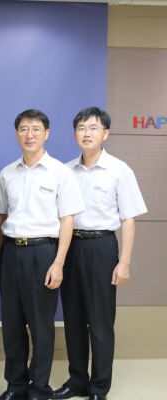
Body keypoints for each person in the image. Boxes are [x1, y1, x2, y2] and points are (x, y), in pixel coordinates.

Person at [51, 107, 147, 400]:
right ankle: (77, 381)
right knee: (73, 319)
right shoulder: (65, 170)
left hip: (102, 247)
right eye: (81, 128)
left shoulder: (119, 170)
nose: (87, 133)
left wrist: (124, 262)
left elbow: (129, 219)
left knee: (100, 322)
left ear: (106, 133)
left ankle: (99, 386)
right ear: (74, 134)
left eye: (93, 128)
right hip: (69, 247)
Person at [0, 109, 85, 400]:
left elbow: (67, 220)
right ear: (16, 134)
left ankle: (39, 388)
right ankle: (15, 386)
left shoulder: (61, 172)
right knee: (11, 325)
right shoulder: (7, 173)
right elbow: (1, 218)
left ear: (46, 134)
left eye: (36, 129)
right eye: (23, 129)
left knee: (41, 326)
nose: (29, 135)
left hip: (43, 253)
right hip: (10, 252)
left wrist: (58, 263)